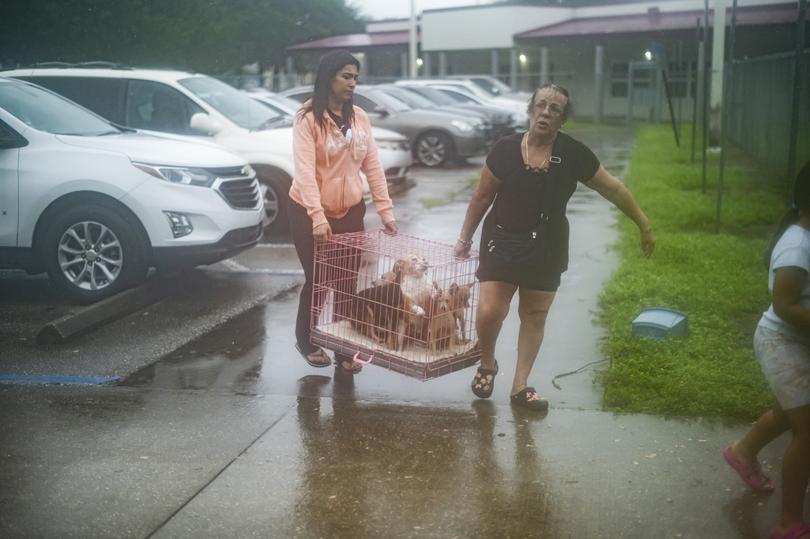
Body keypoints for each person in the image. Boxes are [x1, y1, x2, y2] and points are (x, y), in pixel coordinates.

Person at [453, 83, 655, 411]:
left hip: (547, 246)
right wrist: (464, 239)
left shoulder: (573, 154)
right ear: (531, 110)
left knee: (534, 313)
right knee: (491, 311)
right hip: (501, 240)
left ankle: (520, 385)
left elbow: (614, 190)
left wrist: (644, 225)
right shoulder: (504, 149)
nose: (546, 112)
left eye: (555, 109)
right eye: (541, 105)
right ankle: (487, 364)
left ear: (562, 120)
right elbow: (482, 196)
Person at [289, 49, 398, 373]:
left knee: (347, 281)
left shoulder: (359, 118)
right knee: (319, 280)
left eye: (355, 77)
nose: (353, 83)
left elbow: (373, 166)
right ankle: (307, 340)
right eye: (346, 76)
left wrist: (385, 210)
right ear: (328, 78)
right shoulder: (308, 119)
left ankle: (343, 348)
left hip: (350, 210)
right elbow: (305, 171)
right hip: (309, 211)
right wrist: (317, 217)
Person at [723, 161, 810, 539]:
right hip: (782, 341)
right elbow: (785, 305)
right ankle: (789, 523)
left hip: (800, 339)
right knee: (808, 428)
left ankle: (743, 451)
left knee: (789, 412)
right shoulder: (796, 246)